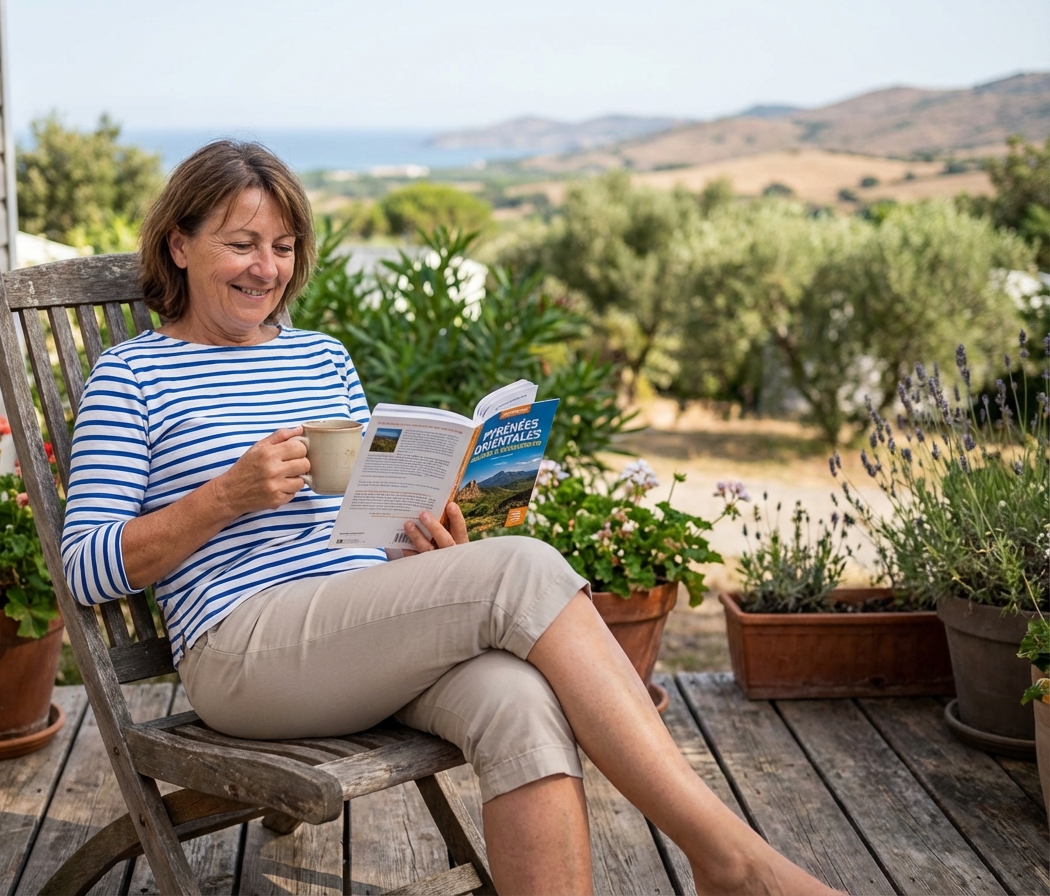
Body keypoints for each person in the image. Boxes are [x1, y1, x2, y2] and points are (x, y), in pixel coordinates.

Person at [61, 140, 837, 896]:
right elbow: (84, 569)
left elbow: (359, 521)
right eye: (241, 243)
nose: (267, 268)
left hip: (355, 636)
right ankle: (730, 860)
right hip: (244, 651)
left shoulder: (321, 356)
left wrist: (420, 544)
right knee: (522, 566)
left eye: (284, 246)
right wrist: (224, 498)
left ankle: (723, 865)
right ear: (180, 244)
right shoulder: (131, 376)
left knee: (518, 703)